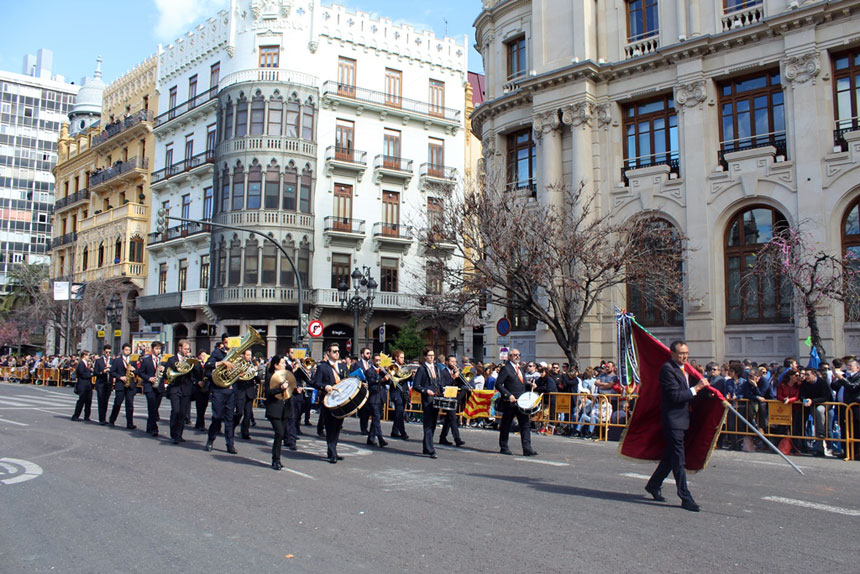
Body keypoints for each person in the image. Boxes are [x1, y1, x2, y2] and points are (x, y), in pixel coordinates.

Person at [644, 341, 709, 512]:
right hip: (673, 421)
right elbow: (675, 396)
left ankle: (653, 484)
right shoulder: (667, 369)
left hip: (685, 419)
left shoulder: (686, 369)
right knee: (679, 460)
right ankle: (685, 497)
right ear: (672, 354)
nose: (684, 356)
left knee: (670, 457)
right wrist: (696, 389)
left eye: (686, 353)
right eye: (681, 354)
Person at [495, 348, 538, 456]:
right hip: (510, 402)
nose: (517, 357)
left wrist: (530, 385)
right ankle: (504, 446)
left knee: (525, 425)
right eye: (515, 355)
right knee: (506, 424)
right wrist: (508, 395)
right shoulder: (506, 369)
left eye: (519, 355)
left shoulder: (521, 369)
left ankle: (527, 448)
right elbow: (498, 384)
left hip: (522, 402)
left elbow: (521, 383)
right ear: (510, 356)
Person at [312, 342, 347, 463]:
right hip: (328, 400)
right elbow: (316, 383)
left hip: (340, 401)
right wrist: (325, 386)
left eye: (338, 351)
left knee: (337, 427)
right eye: (334, 351)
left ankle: (333, 451)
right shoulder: (323, 367)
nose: (337, 353)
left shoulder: (342, 366)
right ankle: (332, 453)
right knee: (330, 427)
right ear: (328, 353)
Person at [205, 334, 238, 454]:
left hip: (231, 390)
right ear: (223, 343)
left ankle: (230, 444)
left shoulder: (237, 354)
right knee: (217, 417)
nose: (228, 345)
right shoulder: (217, 353)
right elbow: (208, 365)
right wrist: (222, 363)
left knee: (230, 419)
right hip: (219, 390)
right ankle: (210, 439)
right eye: (226, 342)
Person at [412, 346, 443, 458]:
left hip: (436, 397)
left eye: (433, 355)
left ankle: (426, 447)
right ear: (425, 357)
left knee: (433, 424)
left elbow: (440, 383)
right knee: (428, 424)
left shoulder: (436, 368)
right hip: (427, 399)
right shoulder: (422, 369)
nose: (431, 357)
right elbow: (416, 385)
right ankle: (431, 449)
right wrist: (425, 390)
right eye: (429, 355)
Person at [265, 355, 294, 470]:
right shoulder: (270, 376)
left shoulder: (287, 376)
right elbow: (268, 392)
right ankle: (275, 459)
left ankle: (277, 459)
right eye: (282, 363)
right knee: (280, 433)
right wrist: (280, 388)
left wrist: (296, 390)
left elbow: (290, 390)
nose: (284, 365)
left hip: (285, 409)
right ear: (276, 365)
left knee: (280, 435)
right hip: (274, 409)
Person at [163, 339, 194, 445]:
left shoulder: (190, 360)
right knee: (175, 411)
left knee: (182, 413)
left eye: (188, 349)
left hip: (185, 389)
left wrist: (195, 364)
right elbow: (166, 374)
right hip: (175, 388)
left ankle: (179, 434)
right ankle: (173, 434)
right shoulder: (171, 360)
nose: (187, 351)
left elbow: (195, 375)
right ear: (179, 348)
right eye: (185, 349)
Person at [137, 341, 165, 437]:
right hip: (149, 387)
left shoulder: (163, 361)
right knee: (151, 406)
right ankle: (154, 428)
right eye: (157, 349)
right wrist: (149, 378)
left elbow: (167, 374)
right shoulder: (146, 360)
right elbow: (140, 372)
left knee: (155, 408)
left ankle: (149, 426)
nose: (158, 351)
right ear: (153, 349)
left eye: (159, 349)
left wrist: (164, 370)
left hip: (159, 387)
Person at [360, 348, 388, 448]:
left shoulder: (382, 371)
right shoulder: (369, 371)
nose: (378, 362)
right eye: (376, 360)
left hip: (381, 397)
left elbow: (388, 381)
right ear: (372, 361)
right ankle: (380, 438)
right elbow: (372, 382)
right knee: (376, 418)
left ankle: (371, 439)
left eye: (379, 360)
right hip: (373, 398)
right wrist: (382, 379)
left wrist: (387, 374)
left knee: (377, 418)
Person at [438, 354, 465, 447]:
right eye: (451, 362)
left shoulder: (455, 372)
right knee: (453, 418)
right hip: (447, 398)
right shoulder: (443, 372)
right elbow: (443, 385)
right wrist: (454, 377)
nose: (453, 364)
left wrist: (459, 375)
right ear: (447, 362)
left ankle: (442, 437)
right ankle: (457, 439)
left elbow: (463, 383)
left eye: (455, 362)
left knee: (448, 419)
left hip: (454, 398)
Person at [108, 343, 136, 429]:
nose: (128, 351)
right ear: (123, 350)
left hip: (130, 385)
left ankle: (130, 423)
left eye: (129, 350)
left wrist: (134, 370)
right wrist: (120, 377)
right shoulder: (117, 360)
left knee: (130, 405)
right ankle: (112, 420)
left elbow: (138, 371)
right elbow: (112, 372)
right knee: (117, 403)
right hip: (120, 384)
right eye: (126, 350)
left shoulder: (133, 361)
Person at [233, 349, 258, 440]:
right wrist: (240, 374)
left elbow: (257, 379)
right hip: (240, 391)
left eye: (250, 355)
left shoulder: (252, 365)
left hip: (249, 392)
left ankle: (245, 432)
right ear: (243, 355)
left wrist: (255, 373)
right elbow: (234, 378)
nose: (249, 357)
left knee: (248, 414)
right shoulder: (238, 365)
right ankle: (232, 427)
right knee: (239, 412)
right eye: (247, 355)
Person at [387, 349, 410, 440]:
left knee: (399, 412)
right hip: (396, 392)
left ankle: (394, 431)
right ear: (396, 358)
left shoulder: (404, 366)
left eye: (403, 357)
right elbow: (393, 379)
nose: (403, 359)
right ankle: (403, 432)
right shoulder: (392, 367)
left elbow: (409, 379)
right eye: (401, 357)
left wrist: (409, 373)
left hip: (403, 392)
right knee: (399, 412)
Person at [71, 351, 93, 421]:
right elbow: (82, 374)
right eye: (88, 355)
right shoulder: (81, 364)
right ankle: (76, 415)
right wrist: (90, 374)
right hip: (82, 385)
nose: (89, 357)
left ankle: (87, 416)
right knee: (81, 401)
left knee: (88, 401)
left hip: (88, 385)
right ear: (84, 355)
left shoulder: (87, 364)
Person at [190, 348, 209, 430]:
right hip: (198, 388)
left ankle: (199, 423)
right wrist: (197, 382)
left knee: (204, 406)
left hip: (206, 388)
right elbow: (192, 376)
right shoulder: (196, 364)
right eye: (202, 355)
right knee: (199, 407)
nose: (204, 357)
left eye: (205, 355)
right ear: (199, 356)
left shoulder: (207, 364)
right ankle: (200, 424)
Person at [93, 345, 112, 425]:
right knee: (101, 400)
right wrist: (103, 371)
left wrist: (110, 369)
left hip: (108, 383)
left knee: (106, 401)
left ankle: (104, 417)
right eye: (106, 352)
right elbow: (95, 372)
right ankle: (101, 419)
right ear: (104, 352)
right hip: (101, 383)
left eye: (109, 352)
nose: (108, 354)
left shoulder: (113, 360)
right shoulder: (99, 361)